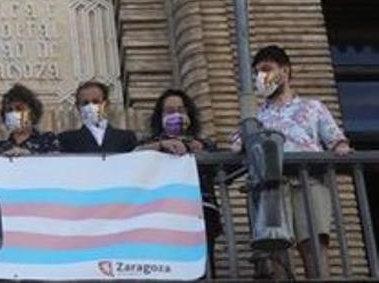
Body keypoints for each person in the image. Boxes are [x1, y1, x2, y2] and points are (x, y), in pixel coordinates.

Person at [239, 45, 351, 279]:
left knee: (313, 243)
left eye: (267, 69)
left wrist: (341, 147)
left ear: (286, 70)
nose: (262, 77)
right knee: (276, 248)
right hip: (272, 186)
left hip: (309, 182)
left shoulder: (313, 107)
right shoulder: (257, 117)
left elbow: (335, 139)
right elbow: (237, 144)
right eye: (258, 73)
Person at [138, 88, 221, 276]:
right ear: (160, 117)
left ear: (189, 114)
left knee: (201, 269)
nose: (176, 114)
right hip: (161, 214)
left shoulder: (204, 143)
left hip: (201, 212)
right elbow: (134, 156)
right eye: (169, 111)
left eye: (181, 110)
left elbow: (222, 171)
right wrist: (161, 146)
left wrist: (197, 150)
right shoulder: (150, 142)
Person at [58, 80, 137, 153]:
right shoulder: (66, 139)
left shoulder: (126, 138)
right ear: (78, 107)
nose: (90, 106)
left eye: (95, 101)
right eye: (85, 103)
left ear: (106, 104)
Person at [0, 84, 59, 156]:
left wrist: (30, 154)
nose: (14, 114)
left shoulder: (48, 141)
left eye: (19, 109)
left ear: (32, 113)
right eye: (9, 110)